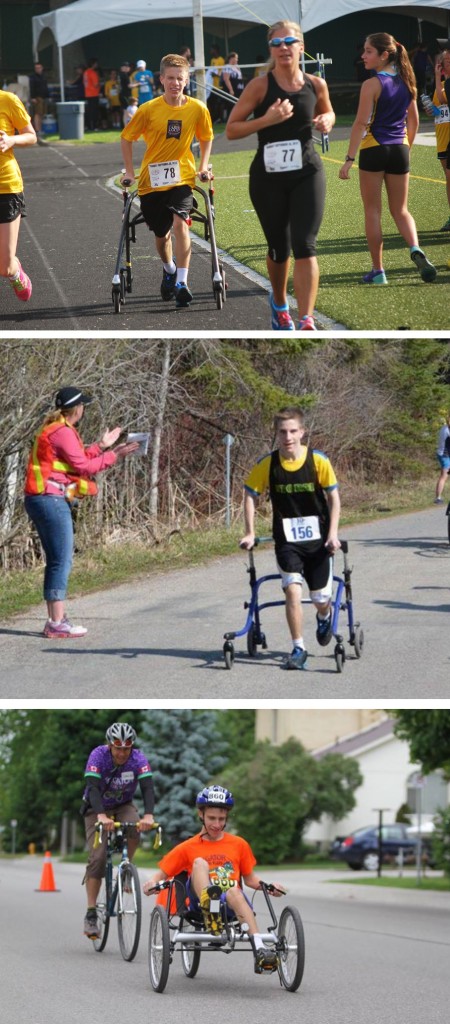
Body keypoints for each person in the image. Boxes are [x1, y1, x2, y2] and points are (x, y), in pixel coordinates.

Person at [226, 20, 335, 332]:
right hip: (268, 178)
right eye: (277, 43)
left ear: (301, 46)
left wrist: (326, 120)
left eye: (290, 41)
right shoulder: (260, 86)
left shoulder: (316, 84)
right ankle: (279, 302)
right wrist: (267, 119)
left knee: (305, 244)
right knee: (279, 248)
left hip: (307, 172)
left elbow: (327, 111)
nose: (283, 47)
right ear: (271, 49)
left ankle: (306, 319)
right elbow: (232, 130)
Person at [24, 385, 139, 639]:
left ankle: (56, 619)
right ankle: (56, 623)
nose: (84, 409)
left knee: (56, 559)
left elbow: (77, 458)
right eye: (83, 406)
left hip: (41, 498)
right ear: (78, 409)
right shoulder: (64, 432)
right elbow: (85, 466)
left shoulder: (56, 429)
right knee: (61, 560)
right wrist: (114, 454)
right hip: (50, 499)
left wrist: (101, 445)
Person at [143, 785, 284, 974]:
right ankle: (210, 908)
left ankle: (259, 949)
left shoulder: (239, 844)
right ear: (200, 814)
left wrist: (269, 886)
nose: (217, 824)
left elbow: (250, 879)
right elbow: (160, 875)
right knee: (200, 863)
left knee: (234, 890)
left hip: (230, 905)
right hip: (199, 904)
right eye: (211, 818)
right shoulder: (187, 847)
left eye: (221, 819)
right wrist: (152, 884)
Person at [240, 406, 340, 670]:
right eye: (283, 431)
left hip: (319, 542)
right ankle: (298, 648)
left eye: (293, 431)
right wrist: (250, 532)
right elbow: (250, 494)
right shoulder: (268, 464)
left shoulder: (318, 461)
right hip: (287, 542)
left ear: (302, 432)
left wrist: (333, 535)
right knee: (293, 591)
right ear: (277, 433)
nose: (288, 437)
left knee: (319, 599)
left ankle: (324, 616)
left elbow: (334, 499)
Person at [338, 32, 437, 286]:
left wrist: (349, 158)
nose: (363, 56)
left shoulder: (372, 84)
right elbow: (413, 121)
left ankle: (378, 271)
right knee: (401, 210)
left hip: (374, 148)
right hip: (400, 149)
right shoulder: (407, 80)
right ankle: (415, 248)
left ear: (384, 55)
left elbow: (360, 123)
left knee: (373, 211)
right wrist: (406, 147)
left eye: (368, 51)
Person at [120, 53, 213, 308]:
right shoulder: (148, 109)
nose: (175, 83)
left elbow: (206, 137)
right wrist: (129, 172)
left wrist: (203, 166)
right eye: (170, 78)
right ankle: (169, 268)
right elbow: (127, 138)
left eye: (180, 78)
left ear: (187, 80)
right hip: (152, 182)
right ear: (161, 79)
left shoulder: (197, 108)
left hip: (182, 178)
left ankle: (182, 281)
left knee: (181, 223)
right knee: (162, 237)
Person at [82, 722, 155, 940]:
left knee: (134, 826)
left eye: (127, 748)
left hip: (123, 805)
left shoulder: (138, 758)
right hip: (95, 807)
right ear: (109, 746)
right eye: (118, 748)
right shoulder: (98, 755)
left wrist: (149, 815)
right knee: (98, 856)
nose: (122, 753)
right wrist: (101, 815)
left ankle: (126, 870)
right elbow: (93, 788)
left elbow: (148, 787)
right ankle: (91, 912)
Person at [0, 87, 36, 302]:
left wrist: (12, 140)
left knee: (4, 266)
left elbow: (31, 136)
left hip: (6, 186)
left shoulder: (8, 100)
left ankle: (15, 271)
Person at [430, 50, 450, 231]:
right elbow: (439, 109)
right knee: (448, 178)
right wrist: (432, 111)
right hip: (442, 139)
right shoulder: (441, 85)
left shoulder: (444, 86)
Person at [220, 52, 244, 120]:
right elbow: (226, 79)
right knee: (231, 104)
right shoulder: (227, 67)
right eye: (236, 58)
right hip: (233, 89)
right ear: (231, 58)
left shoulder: (237, 67)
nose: (237, 60)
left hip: (239, 88)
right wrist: (231, 90)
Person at [28, 62, 49, 135]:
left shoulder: (44, 76)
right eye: (36, 68)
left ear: (42, 68)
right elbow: (32, 87)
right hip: (37, 97)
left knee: (41, 113)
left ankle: (40, 128)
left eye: (39, 67)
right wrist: (33, 97)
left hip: (43, 97)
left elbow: (45, 87)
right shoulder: (33, 77)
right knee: (37, 113)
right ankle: (37, 129)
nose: (38, 69)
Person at [434, 413, 450, 503]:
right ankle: (438, 498)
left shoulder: (444, 427)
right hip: (445, 455)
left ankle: (438, 497)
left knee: (443, 476)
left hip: (441, 454)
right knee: (444, 476)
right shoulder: (448, 430)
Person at [83, 57, 101, 131]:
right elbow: (96, 84)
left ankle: (88, 125)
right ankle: (94, 126)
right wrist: (100, 85)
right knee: (94, 111)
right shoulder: (92, 73)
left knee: (89, 111)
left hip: (87, 93)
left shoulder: (85, 72)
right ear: (93, 64)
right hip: (94, 94)